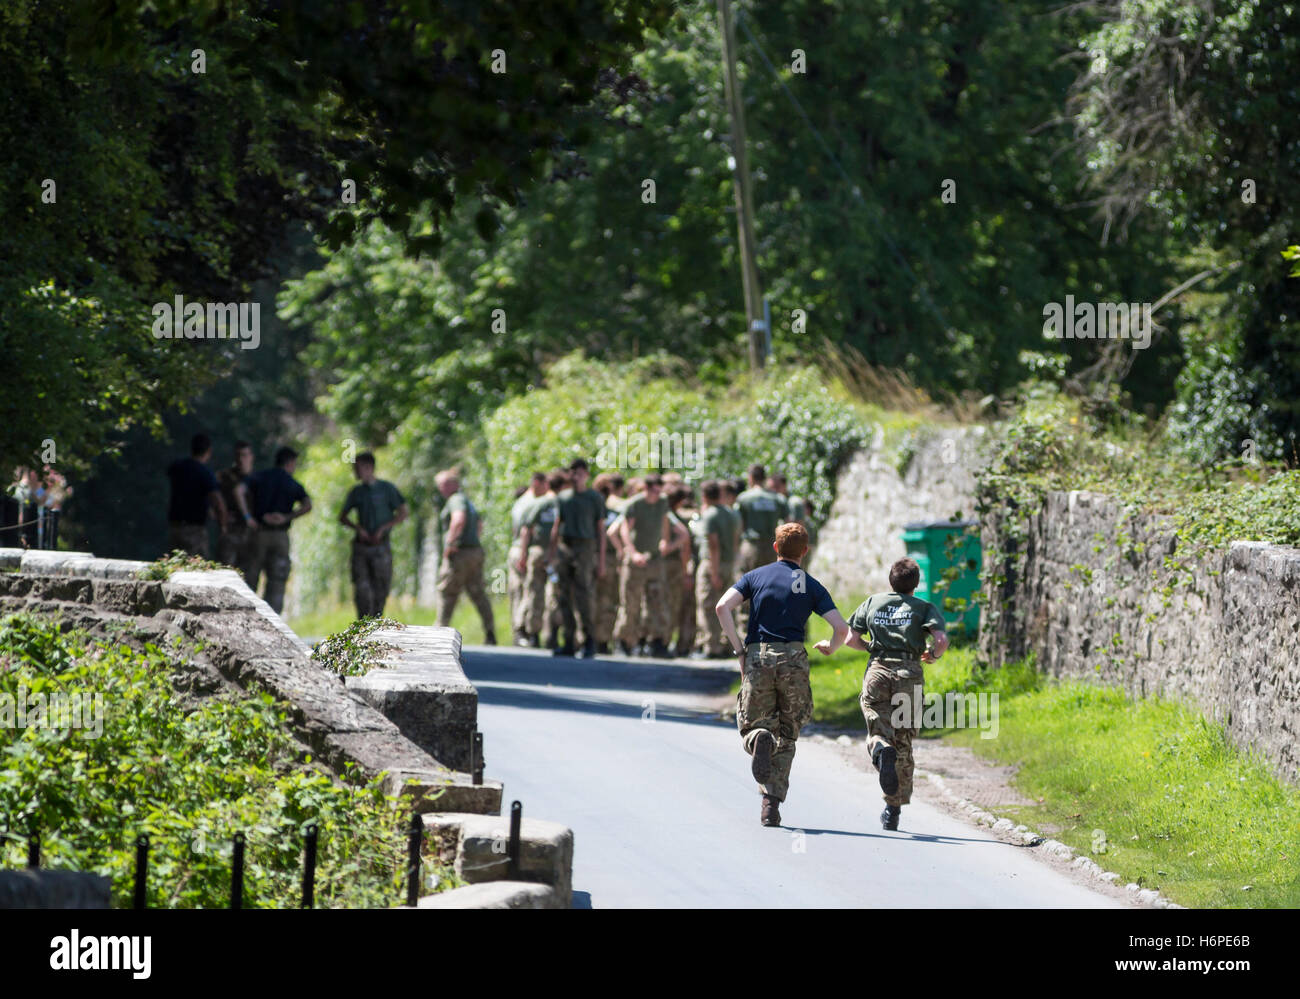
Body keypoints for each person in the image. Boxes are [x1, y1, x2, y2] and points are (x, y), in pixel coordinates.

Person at [715, 522, 850, 826]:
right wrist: (830, 646)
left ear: (774, 547)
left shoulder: (755, 577)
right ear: (805, 551)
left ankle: (758, 738)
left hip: (759, 655)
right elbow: (841, 628)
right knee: (788, 733)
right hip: (794, 658)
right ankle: (770, 804)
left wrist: (739, 649)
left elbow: (722, 607)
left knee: (752, 722)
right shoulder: (811, 584)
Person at [839, 557, 948, 831]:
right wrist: (932, 654)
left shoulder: (873, 602)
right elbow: (942, 640)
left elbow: (850, 638)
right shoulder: (923, 607)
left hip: (878, 671)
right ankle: (893, 809)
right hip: (909, 673)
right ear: (916, 583)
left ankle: (879, 747)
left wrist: (872, 649)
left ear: (891, 580)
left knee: (878, 727)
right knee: (904, 741)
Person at [613, 474, 685, 658]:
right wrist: (631, 552)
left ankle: (657, 641)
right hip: (637, 560)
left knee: (658, 602)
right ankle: (624, 642)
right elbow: (624, 530)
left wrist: (666, 543)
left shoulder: (662, 503)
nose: (657, 494)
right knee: (631, 603)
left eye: (659, 490)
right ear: (646, 488)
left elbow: (668, 524)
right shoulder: (634, 504)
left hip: (655, 560)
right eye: (654, 490)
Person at [236, 446, 311, 614]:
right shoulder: (292, 483)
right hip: (280, 536)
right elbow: (308, 505)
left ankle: (245, 615)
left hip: (259, 533)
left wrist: (248, 517)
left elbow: (238, 490)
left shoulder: (260, 477)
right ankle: (272, 620)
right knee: (277, 582)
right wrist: (288, 517)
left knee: (250, 578)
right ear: (290, 463)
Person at [545, 458, 608, 658]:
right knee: (564, 595)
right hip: (566, 545)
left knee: (584, 596)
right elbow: (557, 526)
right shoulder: (563, 498)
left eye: (580, 473)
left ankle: (589, 641)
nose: (577, 477)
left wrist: (601, 560)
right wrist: (551, 554)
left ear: (586, 476)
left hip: (586, 547)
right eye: (573, 473)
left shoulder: (594, 498)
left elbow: (600, 530)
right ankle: (569, 640)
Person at [339, 452, 408, 619]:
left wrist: (384, 528)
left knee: (381, 588)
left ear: (369, 467)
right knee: (362, 589)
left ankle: (376, 625)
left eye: (358, 468)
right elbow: (343, 516)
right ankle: (363, 626)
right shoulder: (357, 492)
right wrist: (358, 529)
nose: (356, 471)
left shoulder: (387, 489)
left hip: (381, 546)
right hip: (362, 547)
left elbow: (403, 512)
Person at [435, 468, 496, 644]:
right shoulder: (467, 501)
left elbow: (458, 519)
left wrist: (450, 543)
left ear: (453, 484)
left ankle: (439, 630)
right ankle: (490, 631)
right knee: (478, 593)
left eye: (443, 484)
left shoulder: (455, 500)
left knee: (447, 591)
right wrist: (474, 540)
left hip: (460, 553)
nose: (441, 489)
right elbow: (479, 524)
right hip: (475, 552)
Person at [735, 464, 788, 636]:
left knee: (747, 589)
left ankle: (746, 635)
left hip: (751, 546)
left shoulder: (744, 498)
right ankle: (771, 634)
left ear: (750, 478)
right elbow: (787, 524)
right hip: (773, 547)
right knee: (772, 589)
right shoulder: (778, 499)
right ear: (765, 478)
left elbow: (739, 526)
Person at [516, 470, 564, 648]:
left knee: (535, 592)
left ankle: (533, 633)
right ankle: (551, 634)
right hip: (554, 554)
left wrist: (523, 554)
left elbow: (525, 530)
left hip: (538, 551)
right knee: (554, 593)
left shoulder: (538, 503)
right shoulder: (562, 503)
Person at [691, 480, 736, 659]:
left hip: (712, 563)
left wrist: (714, 572)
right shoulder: (731, 514)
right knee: (727, 605)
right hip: (729, 562)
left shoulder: (710, 515)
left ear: (704, 496)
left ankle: (711, 646)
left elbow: (713, 545)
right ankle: (726, 643)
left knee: (708, 605)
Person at [165, 433, 225, 557]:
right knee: (196, 566)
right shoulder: (205, 473)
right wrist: (223, 525)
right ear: (209, 451)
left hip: (175, 526)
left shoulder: (177, 467)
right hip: (195, 529)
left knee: (175, 563)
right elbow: (217, 502)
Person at [592, 473, 625, 654]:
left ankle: (598, 639)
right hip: (602, 557)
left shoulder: (614, 509)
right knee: (606, 601)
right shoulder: (599, 508)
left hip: (600, 557)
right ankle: (599, 639)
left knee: (603, 599)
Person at [508, 477, 543, 645]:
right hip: (524, 549)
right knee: (527, 591)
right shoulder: (532, 502)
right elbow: (525, 530)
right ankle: (523, 631)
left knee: (518, 591)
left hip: (517, 548)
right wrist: (524, 554)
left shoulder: (520, 502)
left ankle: (519, 632)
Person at [665, 484, 697, 657]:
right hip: (675, 566)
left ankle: (666, 640)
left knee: (670, 604)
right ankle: (679, 643)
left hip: (668, 565)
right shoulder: (678, 518)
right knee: (678, 605)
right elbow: (686, 547)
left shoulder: (669, 517)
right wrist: (686, 572)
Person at [216, 441, 255, 571]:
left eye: (244, 455)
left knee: (249, 573)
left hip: (251, 533)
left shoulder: (257, 478)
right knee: (226, 570)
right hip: (230, 530)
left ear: (251, 457)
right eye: (238, 455)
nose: (241, 459)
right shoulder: (224, 477)